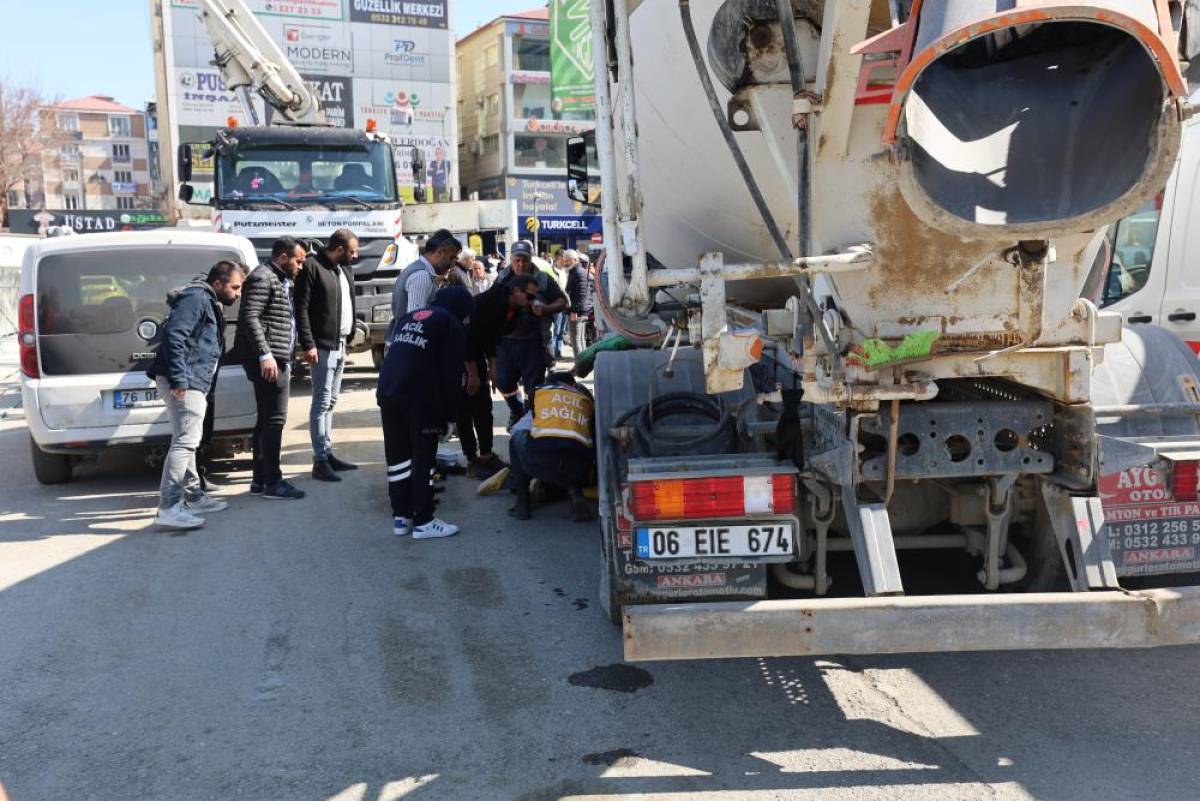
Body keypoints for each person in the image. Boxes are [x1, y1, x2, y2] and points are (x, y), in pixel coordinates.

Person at [148, 261, 245, 529]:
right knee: (185, 442)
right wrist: (180, 378)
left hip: (192, 379)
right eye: (235, 287)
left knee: (187, 440)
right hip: (185, 380)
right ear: (218, 283)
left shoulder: (205, 298)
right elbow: (174, 337)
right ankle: (168, 508)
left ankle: (193, 496)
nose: (238, 293)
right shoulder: (196, 298)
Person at [377, 287, 474, 539]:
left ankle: (402, 517)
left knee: (397, 455)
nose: (467, 320)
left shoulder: (412, 316)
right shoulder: (450, 324)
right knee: (423, 457)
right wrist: (451, 416)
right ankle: (424, 520)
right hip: (420, 397)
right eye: (467, 315)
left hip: (389, 390)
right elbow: (451, 375)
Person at [234, 236, 308, 500]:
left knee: (266, 420)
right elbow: (249, 317)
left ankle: (259, 479)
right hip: (269, 361)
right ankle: (272, 481)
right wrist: (265, 354)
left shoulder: (278, 279)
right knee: (274, 420)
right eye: (298, 260)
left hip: (276, 357)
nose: (301, 266)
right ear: (283, 257)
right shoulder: (263, 277)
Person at [295, 228, 360, 482]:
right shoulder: (312, 267)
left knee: (331, 402)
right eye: (352, 251)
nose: (355, 256)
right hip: (321, 346)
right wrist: (308, 343)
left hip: (340, 344)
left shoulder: (343, 268)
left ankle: (328, 452)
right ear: (340, 248)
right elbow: (301, 308)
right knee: (321, 403)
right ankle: (320, 460)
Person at [459, 274, 538, 479]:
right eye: (529, 297)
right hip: (460, 353)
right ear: (517, 292)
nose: (532, 302)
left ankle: (486, 455)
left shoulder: (514, 308)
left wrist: (493, 367)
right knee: (466, 406)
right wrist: (473, 374)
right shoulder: (489, 303)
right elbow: (467, 339)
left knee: (484, 406)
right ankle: (472, 460)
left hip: (478, 350)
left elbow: (492, 337)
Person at [493, 240, 568, 428]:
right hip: (505, 341)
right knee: (503, 381)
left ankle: (528, 419)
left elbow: (563, 302)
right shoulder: (502, 278)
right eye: (516, 260)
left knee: (533, 386)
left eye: (524, 260)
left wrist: (545, 308)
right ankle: (516, 410)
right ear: (510, 259)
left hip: (534, 341)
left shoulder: (543, 279)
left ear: (530, 259)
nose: (520, 265)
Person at [507, 372, 596, 522]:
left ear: (549, 383)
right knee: (575, 444)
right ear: (573, 385)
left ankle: (522, 503)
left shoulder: (540, 392)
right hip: (579, 469)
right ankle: (576, 495)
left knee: (516, 438)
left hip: (540, 462)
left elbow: (521, 426)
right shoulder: (585, 400)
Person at [391, 229, 462, 318]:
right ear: (439, 252)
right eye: (451, 258)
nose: (453, 263)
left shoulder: (420, 271)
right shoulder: (422, 276)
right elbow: (416, 320)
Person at [565, 250, 594, 360]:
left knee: (576, 340)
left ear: (575, 260)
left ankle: (580, 365)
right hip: (580, 310)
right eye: (565, 260)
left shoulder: (578, 272)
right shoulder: (576, 271)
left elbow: (581, 294)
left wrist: (574, 311)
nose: (565, 263)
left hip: (578, 311)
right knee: (579, 340)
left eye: (568, 260)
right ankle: (582, 364)